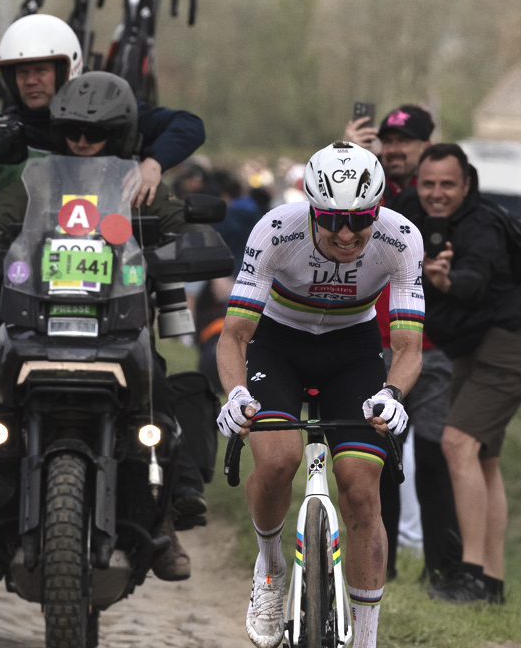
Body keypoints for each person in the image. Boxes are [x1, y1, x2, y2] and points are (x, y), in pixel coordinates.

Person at [0, 71, 205, 581]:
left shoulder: (139, 185)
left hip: (117, 326)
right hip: (37, 323)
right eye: (72, 132)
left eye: (97, 134)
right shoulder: (37, 182)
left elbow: (189, 230)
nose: (83, 142)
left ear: (121, 134)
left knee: (160, 389)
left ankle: (168, 516)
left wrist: (195, 243)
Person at [215, 141, 424, 648]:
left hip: (352, 350)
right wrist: (235, 393)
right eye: (332, 221)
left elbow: (408, 344)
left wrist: (393, 394)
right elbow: (234, 336)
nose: (348, 234)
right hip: (278, 345)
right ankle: (270, 567)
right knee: (278, 459)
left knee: (359, 485)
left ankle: (367, 639)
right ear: (311, 207)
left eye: (361, 219)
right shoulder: (276, 229)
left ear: (377, 210)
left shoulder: (400, 238)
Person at [395, 143, 520, 605]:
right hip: (473, 344)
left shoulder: (482, 224)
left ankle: (470, 574)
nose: (436, 193)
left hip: (508, 342)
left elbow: (476, 276)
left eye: (448, 184)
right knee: (483, 459)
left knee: (457, 443)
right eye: (428, 183)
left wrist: (447, 281)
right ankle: (491, 581)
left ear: (467, 185)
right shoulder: (415, 212)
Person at [346, 104, 459, 583]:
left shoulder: (436, 194)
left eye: (404, 143)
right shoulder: (369, 192)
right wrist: (350, 154)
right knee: (381, 454)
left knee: (435, 457)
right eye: (387, 143)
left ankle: (444, 571)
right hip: (378, 341)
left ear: (426, 146)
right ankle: (383, 568)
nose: (393, 150)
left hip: (435, 345)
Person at [0, 14, 206, 210]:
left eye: (41, 70)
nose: (30, 81)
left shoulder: (110, 110)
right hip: (21, 268)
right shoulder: (3, 132)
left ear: (67, 68)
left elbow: (189, 125)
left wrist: (154, 163)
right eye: (22, 73)